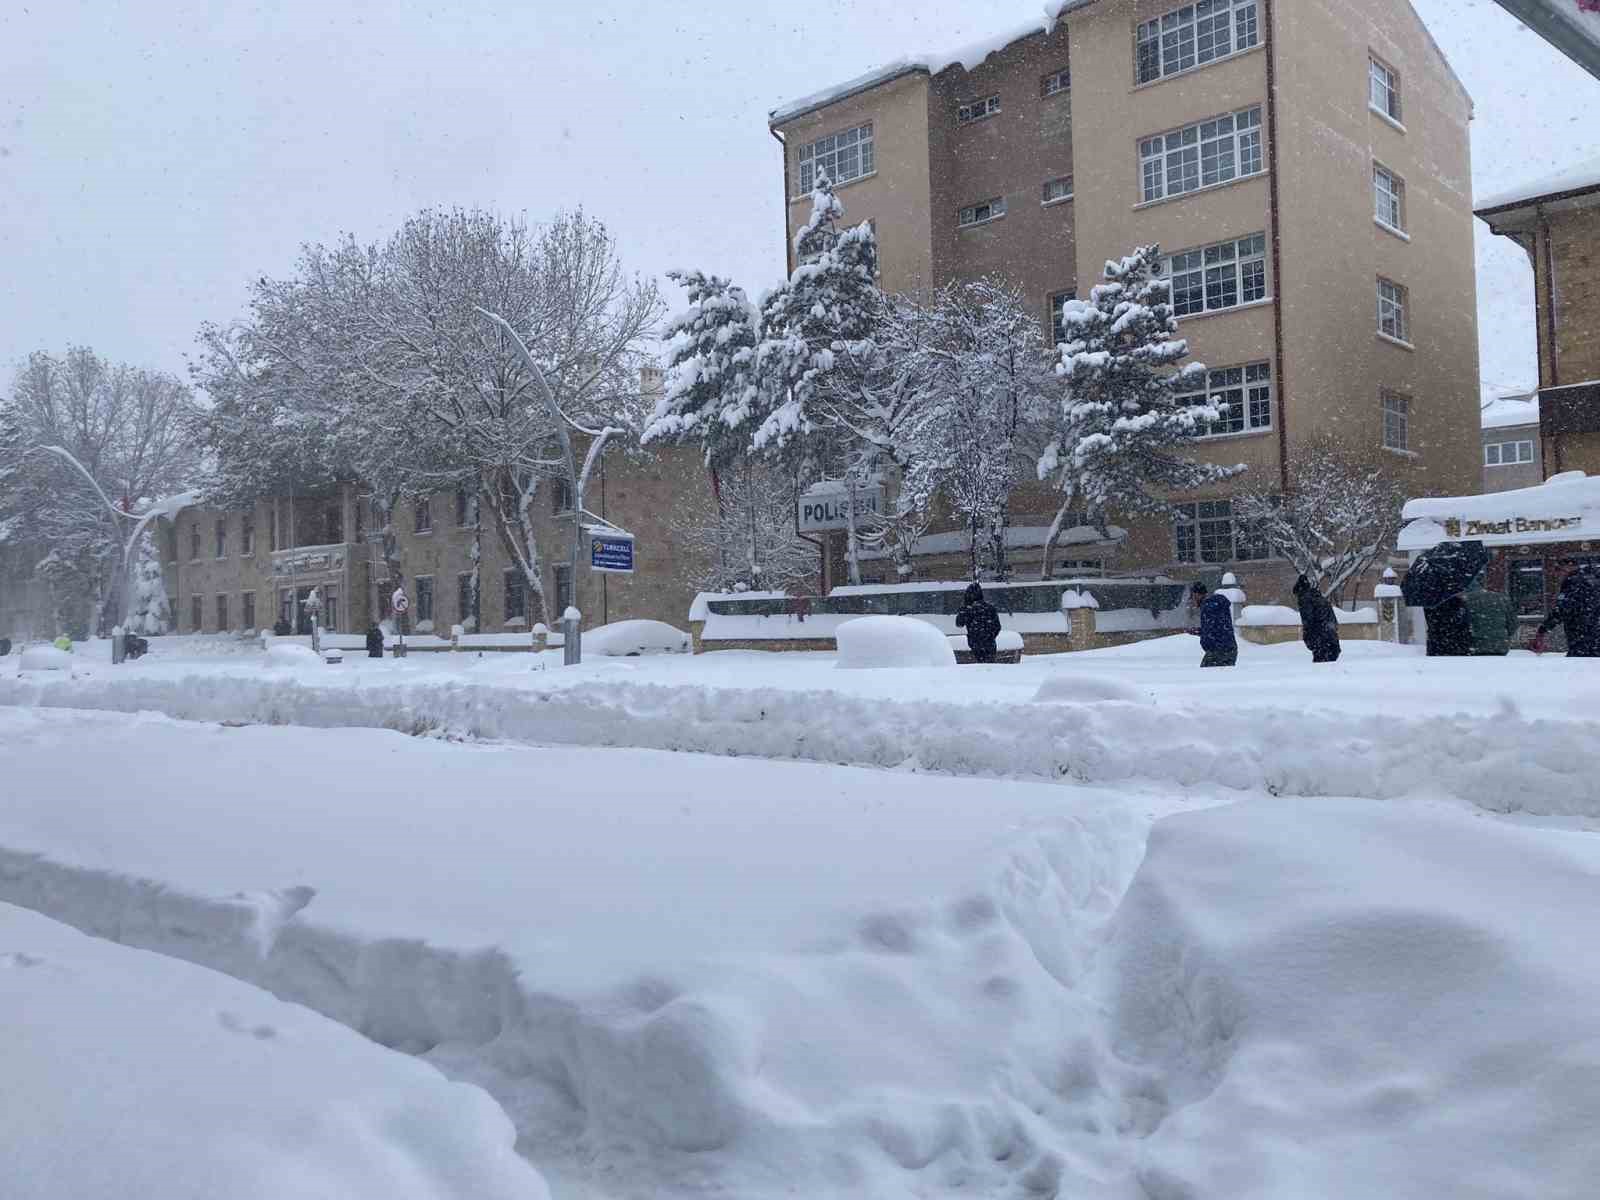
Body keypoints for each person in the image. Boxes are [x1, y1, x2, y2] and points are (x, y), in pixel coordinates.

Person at [1534, 561, 1600, 658]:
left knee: (1578, 666)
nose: (1557, 575)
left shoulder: (1572, 583)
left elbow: (1562, 610)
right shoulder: (1593, 580)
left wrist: (1542, 630)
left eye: (1558, 570)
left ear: (1569, 567)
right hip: (1595, 633)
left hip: (1580, 635)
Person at [1463, 574, 1520, 656]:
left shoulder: (1465, 600)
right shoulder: (1501, 598)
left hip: (1475, 646)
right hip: (1500, 646)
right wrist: (1503, 637)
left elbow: (1461, 626)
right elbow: (1514, 624)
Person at [1292, 574, 1341, 663]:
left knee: (1320, 669)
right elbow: (1333, 621)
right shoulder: (1320, 598)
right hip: (1331, 641)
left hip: (1320, 640)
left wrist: (1307, 637)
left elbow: (1308, 620)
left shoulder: (1305, 599)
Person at [1191, 581, 1237, 668]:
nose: (1193, 600)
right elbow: (1217, 627)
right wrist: (1199, 631)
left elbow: (1211, 629)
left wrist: (1202, 633)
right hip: (1230, 648)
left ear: (1197, 595)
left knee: (1205, 677)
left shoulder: (1208, 606)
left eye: (1193, 597)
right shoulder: (1217, 604)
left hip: (1217, 651)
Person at [955, 582, 1002, 664]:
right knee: (990, 667)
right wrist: (990, 636)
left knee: (977, 669)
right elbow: (997, 627)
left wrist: (963, 610)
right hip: (989, 644)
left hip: (974, 644)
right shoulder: (990, 608)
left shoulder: (967, 609)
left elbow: (959, 624)